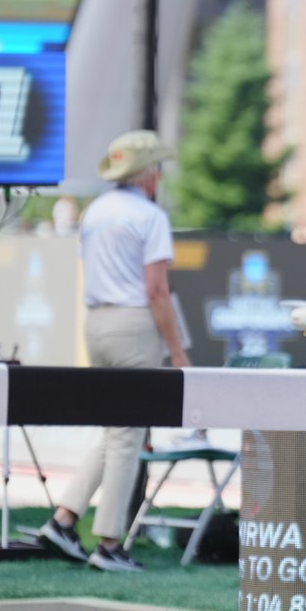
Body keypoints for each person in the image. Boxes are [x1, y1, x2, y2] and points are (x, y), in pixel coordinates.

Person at [38, 130, 191, 571]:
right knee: (128, 435)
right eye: (157, 167)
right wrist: (177, 350)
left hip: (97, 322)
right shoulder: (149, 215)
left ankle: (64, 520)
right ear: (148, 173)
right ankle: (109, 543)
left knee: (114, 431)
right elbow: (156, 290)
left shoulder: (95, 211)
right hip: (132, 324)